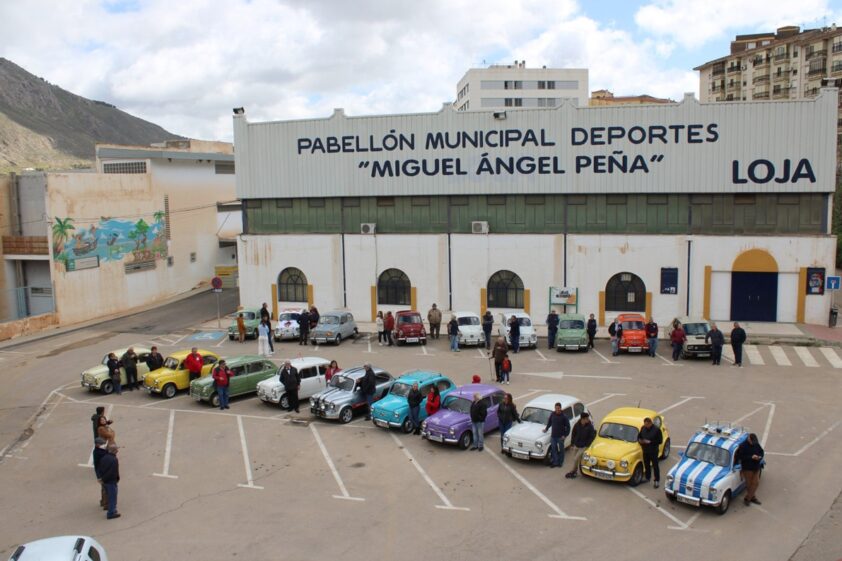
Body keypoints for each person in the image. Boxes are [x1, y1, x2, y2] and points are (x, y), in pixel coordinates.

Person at [737, 433, 765, 506]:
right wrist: (751, 457)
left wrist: (759, 457)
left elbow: (761, 451)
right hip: (747, 468)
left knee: (756, 483)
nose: (753, 443)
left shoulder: (756, 444)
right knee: (749, 484)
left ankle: (748, 498)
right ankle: (752, 497)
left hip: (756, 466)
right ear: (749, 439)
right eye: (752, 442)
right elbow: (740, 457)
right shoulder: (743, 446)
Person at [566, 412, 596, 479]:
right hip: (577, 445)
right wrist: (572, 444)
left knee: (576, 458)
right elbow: (573, 433)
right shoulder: (577, 425)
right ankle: (575, 471)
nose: (588, 419)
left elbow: (592, 436)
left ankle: (573, 471)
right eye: (587, 418)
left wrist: (587, 444)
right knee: (575, 459)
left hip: (584, 446)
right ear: (583, 419)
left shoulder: (590, 426)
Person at [542, 402, 570, 468]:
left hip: (560, 437)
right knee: (554, 449)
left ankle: (560, 462)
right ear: (555, 408)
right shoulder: (552, 414)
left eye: (558, 408)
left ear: (560, 408)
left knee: (561, 450)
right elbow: (549, 422)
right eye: (556, 408)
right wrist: (546, 429)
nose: (557, 409)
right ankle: (555, 462)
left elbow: (568, 427)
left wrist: (565, 435)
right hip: (553, 436)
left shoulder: (564, 417)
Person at [638, 417, 663, 488]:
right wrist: (640, 441)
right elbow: (639, 436)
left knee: (655, 466)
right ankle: (647, 477)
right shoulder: (643, 428)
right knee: (646, 465)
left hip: (653, 451)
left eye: (647, 424)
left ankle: (656, 480)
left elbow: (660, 441)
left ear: (650, 423)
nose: (646, 426)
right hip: (645, 450)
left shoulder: (657, 430)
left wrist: (650, 442)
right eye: (645, 424)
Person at [99, 443, 121, 519]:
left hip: (104, 481)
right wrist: (117, 479)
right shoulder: (114, 459)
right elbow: (114, 472)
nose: (117, 450)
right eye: (116, 449)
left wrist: (103, 479)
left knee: (109, 496)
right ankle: (111, 513)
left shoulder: (104, 458)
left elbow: (100, 469)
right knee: (112, 497)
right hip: (111, 481)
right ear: (114, 451)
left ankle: (112, 510)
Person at [92, 437, 108, 511]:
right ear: (97, 444)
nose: (103, 445)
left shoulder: (98, 451)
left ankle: (103, 501)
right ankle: (105, 504)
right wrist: (99, 477)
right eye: (101, 444)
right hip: (102, 473)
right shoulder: (98, 452)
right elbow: (97, 466)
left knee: (103, 488)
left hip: (102, 472)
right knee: (105, 489)